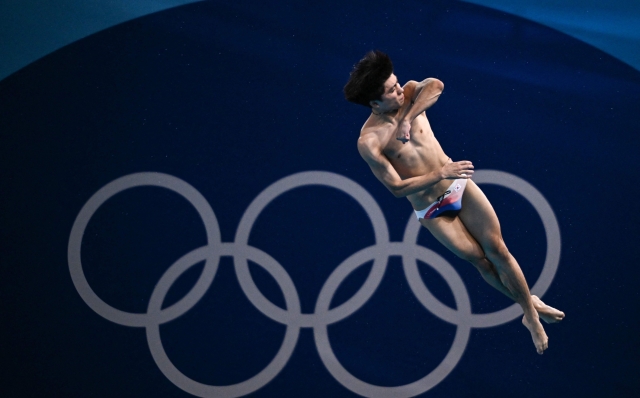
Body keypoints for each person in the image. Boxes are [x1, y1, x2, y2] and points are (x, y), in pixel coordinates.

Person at [344, 50, 564, 355]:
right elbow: (396, 188)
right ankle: (529, 301)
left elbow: (436, 85)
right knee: (480, 260)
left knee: (498, 248)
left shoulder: (408, 94)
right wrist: (439, 173)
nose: (398, 90)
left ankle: (529, 314)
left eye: (396, 84)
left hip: (458, 183)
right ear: (374, 103)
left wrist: (408, 117)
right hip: (432, 208)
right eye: (391, 91)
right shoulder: (369, 142)